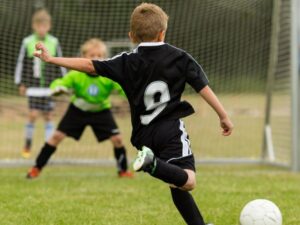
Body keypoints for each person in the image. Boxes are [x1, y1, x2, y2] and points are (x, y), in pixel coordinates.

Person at [34, 3, 233, 225]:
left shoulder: (126, 61)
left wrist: (51, 59)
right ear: (163, 32)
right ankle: (152, 164)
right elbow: (202, 87)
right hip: (169, 130)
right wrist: (223, 115)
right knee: (188, 180)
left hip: (143, 135)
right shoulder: (180, 57)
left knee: (174, 180)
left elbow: (89, 65)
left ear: (131, 36)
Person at [26, 38, 133, 179]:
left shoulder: (109, 76)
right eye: (92, 55)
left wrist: (134, 96)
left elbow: (123, 89)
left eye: (99, 56)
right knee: (56, 137)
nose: (96, 59)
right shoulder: (76, 74)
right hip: (77, 111)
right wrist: (57, 89)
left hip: (101, 111)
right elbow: (59, 83)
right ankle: (36, 168)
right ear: (84, 57)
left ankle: (123, 171)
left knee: (118, 139)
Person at [14, 8, 66, 159]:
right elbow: (21, 63)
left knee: (49, 116)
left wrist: (62, 83)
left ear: (49, 26)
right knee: (32, 115)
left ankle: (47, 147)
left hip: (49, 87)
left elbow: (60, 63)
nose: (42, 29)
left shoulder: (54, 42)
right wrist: (20, 83)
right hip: (33, 87)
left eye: (44, 26)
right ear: (34, 26)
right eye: (39, 26)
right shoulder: (27, 42)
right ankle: (28, 143)